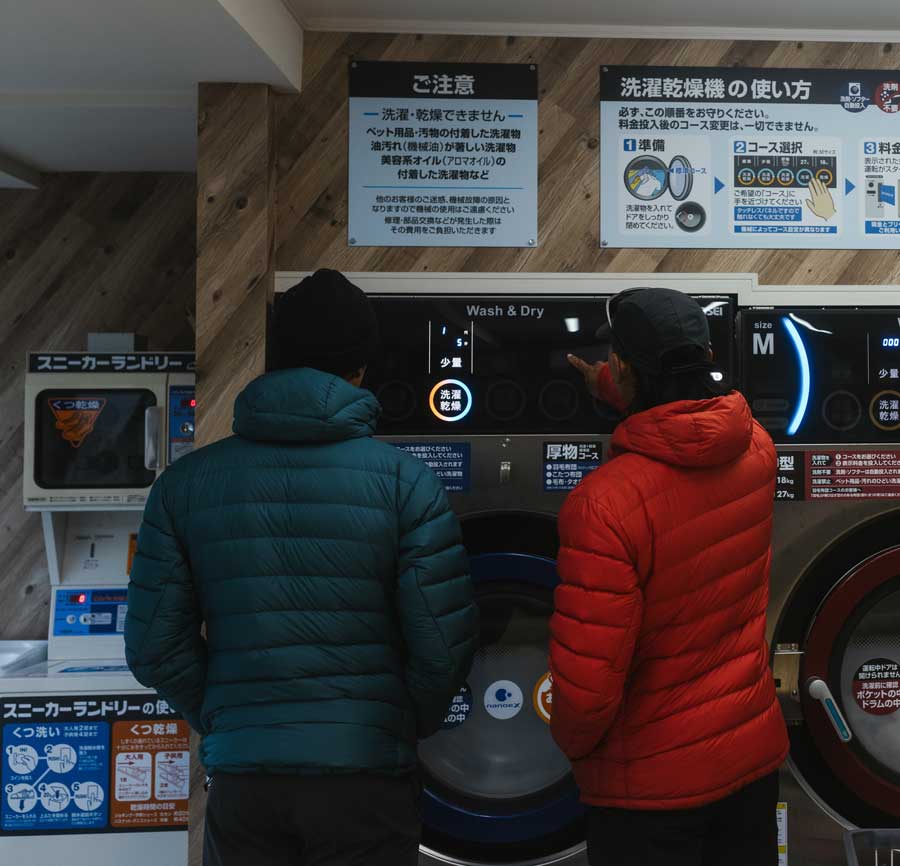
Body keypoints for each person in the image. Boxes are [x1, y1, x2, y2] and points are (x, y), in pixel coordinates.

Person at [125, 269, 479, 866]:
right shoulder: (406, 484)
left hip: (246, 782)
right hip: (365, 774)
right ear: (361, 368)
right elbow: (442, 647)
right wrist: (394, 723)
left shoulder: (183, 487)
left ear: (277, 358)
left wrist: (222, 715)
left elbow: (153, 648)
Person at [550, 287, 789, 866]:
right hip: (748, 764)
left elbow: (585, 696)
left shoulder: (603, 504)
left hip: (651, 795)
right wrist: (614, 386)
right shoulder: (756, 450)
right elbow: (688, 419)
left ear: (626, 367)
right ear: (706, 358)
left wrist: (577, 754)